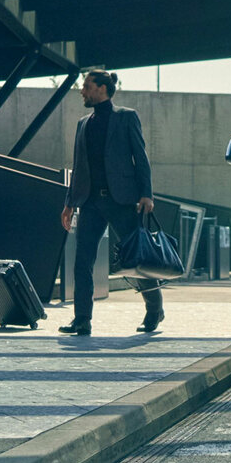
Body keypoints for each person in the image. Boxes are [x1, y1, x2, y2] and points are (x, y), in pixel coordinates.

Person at [59, 70, 164, 336]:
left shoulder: (126, 117)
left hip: (122, 201)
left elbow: (140, 157)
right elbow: (78, 166)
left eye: (87, 86)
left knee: (137, 258)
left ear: (102, 88)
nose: (82, 91)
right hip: (90, 202)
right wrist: (69, 203)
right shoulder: (83, 123)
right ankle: (82, 319)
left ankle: (155, 310)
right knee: (82, 261)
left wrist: (146, 193)